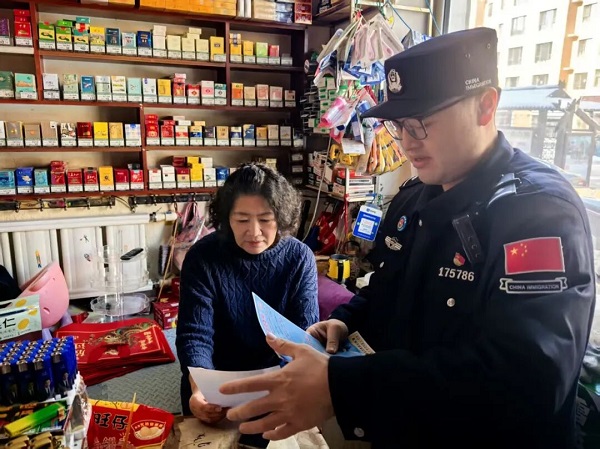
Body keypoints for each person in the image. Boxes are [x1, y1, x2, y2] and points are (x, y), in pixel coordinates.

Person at [219, 27, 597, 448]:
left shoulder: (538, 212)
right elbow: (387, 288)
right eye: (399, 125)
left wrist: (340, 386)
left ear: (486, 105)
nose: (406, 143)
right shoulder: (414, 196)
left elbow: (527, 381)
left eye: (421, 124)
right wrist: (347, 320)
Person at [176, 162, 319, 425]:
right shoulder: (202, 257)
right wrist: (200, 388)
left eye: (265, 220)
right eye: (242, 220)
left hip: (278, 380)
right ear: (226, 219)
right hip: (215, 381)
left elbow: (303, 336)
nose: (254, 232)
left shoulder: (299, 258)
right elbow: (195, 334)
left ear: (281, 218)